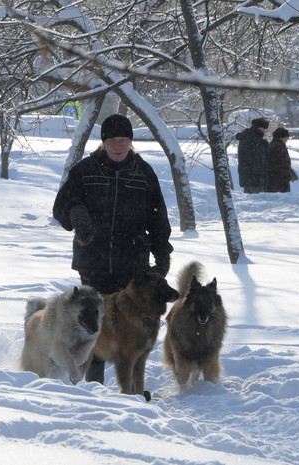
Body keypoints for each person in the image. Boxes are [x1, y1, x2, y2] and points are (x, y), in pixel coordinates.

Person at [53, 113, 174, 383]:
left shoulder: (143, 173)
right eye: (112, 141)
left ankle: (131, 386)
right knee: (96, 323)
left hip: (132, 263)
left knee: (132, 324)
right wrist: (77, 215)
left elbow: (158, 217)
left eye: (123, 140)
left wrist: (162, 252)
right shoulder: (85, 170)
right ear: (103, 142)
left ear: (130, 142)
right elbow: (61, 204)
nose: (118, 146)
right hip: (93, 258)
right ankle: (94, 384)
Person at [235, 117, 269, 193]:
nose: (265, 132)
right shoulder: (256, 140)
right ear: (260, 128)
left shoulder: (246, 137)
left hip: (247, 178)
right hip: (256, 179)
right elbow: (258, 160)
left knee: (249, 202)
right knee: (257, 202)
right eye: (264, 129)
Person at [265, 127, 293, 193]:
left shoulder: (272, 145)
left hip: (273, 179)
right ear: (282, 137)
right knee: (281, 200)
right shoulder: (279, 146)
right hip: (279, 180)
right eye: (286, 138)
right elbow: (279, 164)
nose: (286, 140)